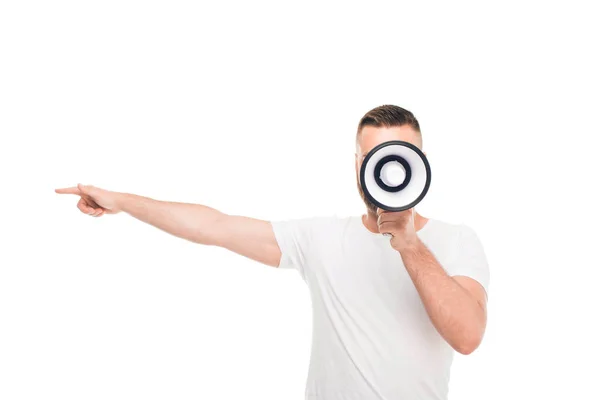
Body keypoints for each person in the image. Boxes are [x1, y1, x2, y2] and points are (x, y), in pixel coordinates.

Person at [55, 104, 489, 400]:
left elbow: (468, 336)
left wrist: (409, 244)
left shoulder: (456, 240)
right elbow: (215, 227)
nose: (385, 171)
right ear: (357, 165)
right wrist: (123, 202)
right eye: (373, 158)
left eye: (398, 156)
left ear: (419, 162)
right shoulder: (320, 238)